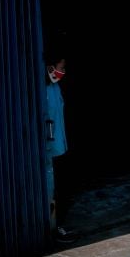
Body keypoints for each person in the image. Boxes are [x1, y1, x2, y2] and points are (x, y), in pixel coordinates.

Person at [44, 51, 78, 244]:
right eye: (61, 67)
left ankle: (58, 226)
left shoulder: (55, 88)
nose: (62, 71)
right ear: (50, 67)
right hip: (49, 148)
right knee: (51, 191)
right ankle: (52, 229)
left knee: (61, 189)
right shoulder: (42, 90)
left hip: (59, 147)